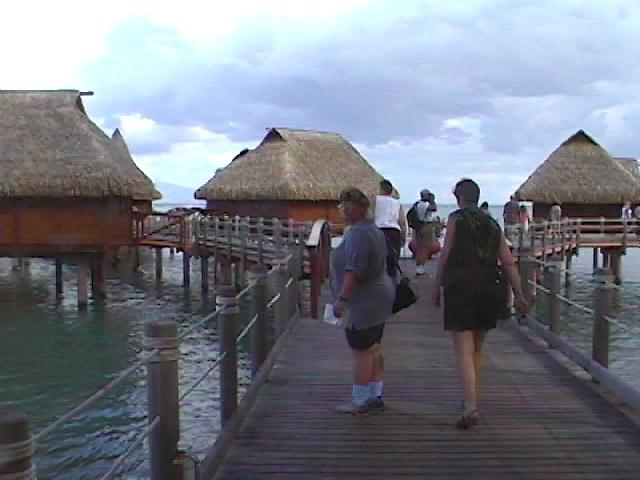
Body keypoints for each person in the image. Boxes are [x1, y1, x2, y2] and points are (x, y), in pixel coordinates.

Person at [432, 179, 527, 429]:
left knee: (463, 349)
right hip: (489, 288)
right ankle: (471, 398)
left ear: (459, 198)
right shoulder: (492, 223)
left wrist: (436, 287)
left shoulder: (456, 219)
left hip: (461, 287)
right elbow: (508, 262)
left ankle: (470, 406)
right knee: (477, 348)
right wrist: (519, 295)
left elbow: (445, 254)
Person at [331, 187, 395, 414]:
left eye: (348, 205)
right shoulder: (372, 229)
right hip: (379, 295)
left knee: (361, 349)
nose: (343, 209)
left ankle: (359, 401)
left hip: (366, 299)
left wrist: (341, 300)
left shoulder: (358, 233)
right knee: (373, 347)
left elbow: (354, 271)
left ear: (360, 208)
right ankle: (374, 395)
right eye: (342, 204)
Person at [374, 179, 407, 267]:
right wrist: (403, 237)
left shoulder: (375, 200)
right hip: (394, 230)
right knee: (393, 258)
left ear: (381, 189)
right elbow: (402, 222)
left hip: (378, 229)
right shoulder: (397, 203)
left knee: (377, 258)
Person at [414, 189, 438, 276]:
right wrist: (432, 200)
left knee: (420, 247)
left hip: (419, 226)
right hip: (426, 226)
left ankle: (418, 266)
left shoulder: (418, 204)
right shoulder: (425, 205)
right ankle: (420, 267)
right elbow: (434, 208)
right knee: (425, 247)